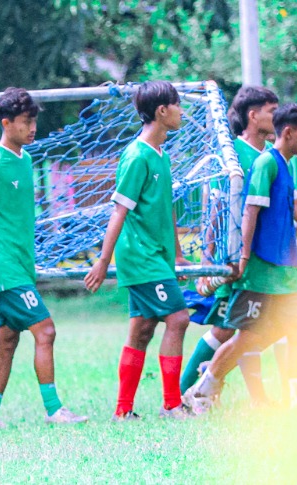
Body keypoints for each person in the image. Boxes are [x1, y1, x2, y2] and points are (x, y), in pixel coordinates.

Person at [185, 103, 297, 412]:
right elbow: (250, 211)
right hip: (259, 270)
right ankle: (203, 386)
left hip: (286, 269)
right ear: (289, 132)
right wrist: (244, 255)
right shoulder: (265, 164)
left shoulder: (285, 165)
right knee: (247, 336)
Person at [0, 88, 89, 427]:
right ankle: (54, 410)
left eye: (34, 121)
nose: (33, 128)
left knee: (7, 342)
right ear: (6, 123)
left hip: (21, 267)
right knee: (46, 331)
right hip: (5, 270)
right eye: (26, 122)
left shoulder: (25, 160)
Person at [83, 81, 192, 420]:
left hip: (157, 256)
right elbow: (119, 211)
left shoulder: (161, 154)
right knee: (179, 318)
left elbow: (166, 208)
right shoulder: (136, 156)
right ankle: (172, 405)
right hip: (140, 256)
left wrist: (177, 254)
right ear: (162, 110)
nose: (182, 111)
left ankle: (123, 411)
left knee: (142, 329)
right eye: (177, 105)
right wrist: (103, 261)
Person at [180, 86, 286, 408]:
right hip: (234, 262)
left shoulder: (274, 155)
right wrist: (208, 262)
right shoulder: (232, 156)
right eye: (271, 111)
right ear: (253, 116)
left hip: (263, 260)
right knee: (230, 328)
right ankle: (183, 393)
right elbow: (214, 209)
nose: (277, 117)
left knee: (245, 328)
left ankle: (242, 392)